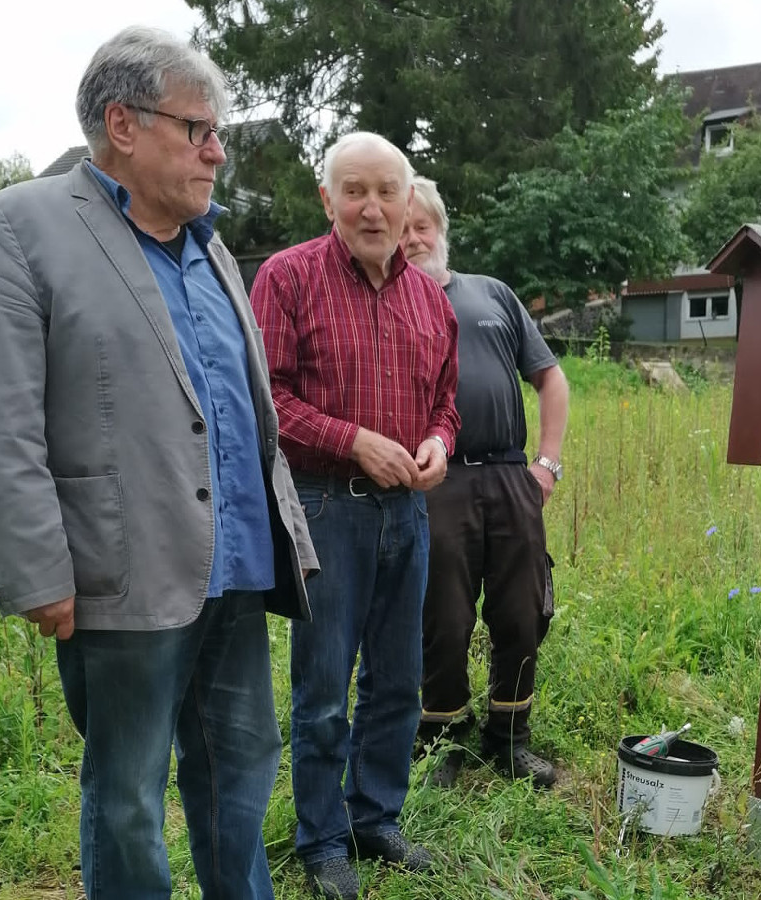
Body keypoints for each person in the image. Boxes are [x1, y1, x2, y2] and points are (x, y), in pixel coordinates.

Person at [0, 27, 318, 900]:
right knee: (127, 795)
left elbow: (243, 418)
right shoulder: (14, 227)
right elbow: (1, 425)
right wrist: (36, 569)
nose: (218, 151)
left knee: (241, 769)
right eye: (199, 129)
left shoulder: (214, 249)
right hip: (120, 577)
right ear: (122, 123)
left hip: (236, 571)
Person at [250, 133, 460, 900]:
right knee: (324, 687)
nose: (371, 207)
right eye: (353, 190)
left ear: (409, 202)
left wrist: (437, 441)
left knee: (399, 682)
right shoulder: (288, 278)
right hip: (325, 508)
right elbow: (264, 398)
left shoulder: (430, 299)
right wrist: (352, 441)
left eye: (385, 191)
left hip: (407, 513)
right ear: (327, 199)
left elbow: (446, 401)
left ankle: (376, 817)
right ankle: (322, 839)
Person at [402, 177, 569, 790]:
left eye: (424, 226)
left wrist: (545, 466)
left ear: (442, 231)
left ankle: (509, 737)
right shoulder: (385, 301)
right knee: (441, 616)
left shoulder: (493, 294)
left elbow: (551, 378)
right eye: (402, 227)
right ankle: (441, 735)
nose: (413, 238)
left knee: (523, 610)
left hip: (509, 475)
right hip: (431, 482)